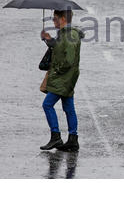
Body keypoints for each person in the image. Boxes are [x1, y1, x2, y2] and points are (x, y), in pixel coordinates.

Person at [40, 10, 84, 151]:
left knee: (47, 104)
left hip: (64, 78)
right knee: (69, 108)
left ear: (63, 18)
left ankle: (56, 137)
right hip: (67, 78)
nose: (53, 21)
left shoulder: (70, 35)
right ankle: (72, 139)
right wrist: (49, 40)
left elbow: (69, 60)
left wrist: (57, 70)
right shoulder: (64, 34)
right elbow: (60, 49)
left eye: (55, 19)